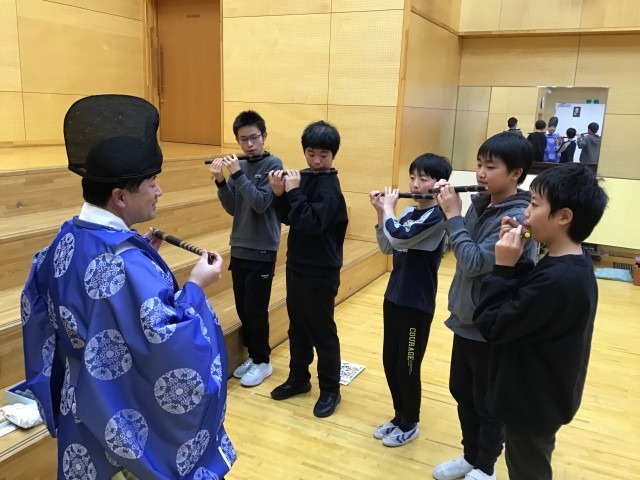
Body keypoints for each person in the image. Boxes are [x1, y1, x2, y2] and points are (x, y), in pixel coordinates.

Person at [20, 95, 234, 480]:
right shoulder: (125, 262)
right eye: (151, 184)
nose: (159, 192)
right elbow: (168, 337)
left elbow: (41, 310)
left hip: (79, 400)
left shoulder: (64, 239)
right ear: (120, 196)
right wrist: (196, 287)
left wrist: (138, 254)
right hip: (122, 412)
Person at [472, 163, 608, 479]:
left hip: (533, 403)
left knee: (527, 470)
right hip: (541, 395)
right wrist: (518, 259)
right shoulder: (570, 261)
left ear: (563, 216)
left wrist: (502, 267)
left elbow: (492, 325)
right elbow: (527, 303)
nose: (526, 214)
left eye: (534, 205)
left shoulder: (560, 279)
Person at [432, 132, 537, 480]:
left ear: (516, 173)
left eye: (490, 167)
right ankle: (470, 456)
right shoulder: (482, 203)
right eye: (479, 164)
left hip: (491, 325)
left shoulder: (519, 218)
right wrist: (451, 212)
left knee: (488, 402)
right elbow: (460, 248)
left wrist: (453, 216)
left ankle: (486, 467)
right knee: (462, 391)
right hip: (466, 318)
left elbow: (473, 261)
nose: (480, 173)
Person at [369, 154, 452, 447]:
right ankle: (399, 415)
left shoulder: (438, 217)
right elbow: (387, 246)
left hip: (417, 304)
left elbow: (401, 238)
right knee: (390, 361)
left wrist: (388, 210)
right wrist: (381, 213)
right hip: (394, 297)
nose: (415, 185)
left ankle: (410, 422)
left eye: (423, 179)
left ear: (440, 184)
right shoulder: (406, 212)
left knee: (407, 365)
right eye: (413, 177)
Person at [267, 121, 348, 418]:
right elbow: (291, 218)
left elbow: (311, 222)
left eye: (323, 155)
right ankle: (299, 378)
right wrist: (279, 194)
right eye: (311, 153)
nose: (315, 161)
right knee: (297, 326)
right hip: (298, 264)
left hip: (321, 270)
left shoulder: (329, 187)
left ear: (333, 155)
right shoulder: (304, 178)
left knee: (321, 330)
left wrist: (293, 192)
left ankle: (330, 389)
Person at [210, 110, 283, 387]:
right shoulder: (238, 166)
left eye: (254, 138)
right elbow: (233, 207)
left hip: (263, 247)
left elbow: (261, 203)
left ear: (264, 136)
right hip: (239, 245)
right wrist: (221, 181)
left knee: (256, 308)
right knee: (243, 307)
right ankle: (254, 355)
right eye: (243, 140)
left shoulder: (273, 164)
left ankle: (263, 361)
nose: (250, 144)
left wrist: (237, 174)